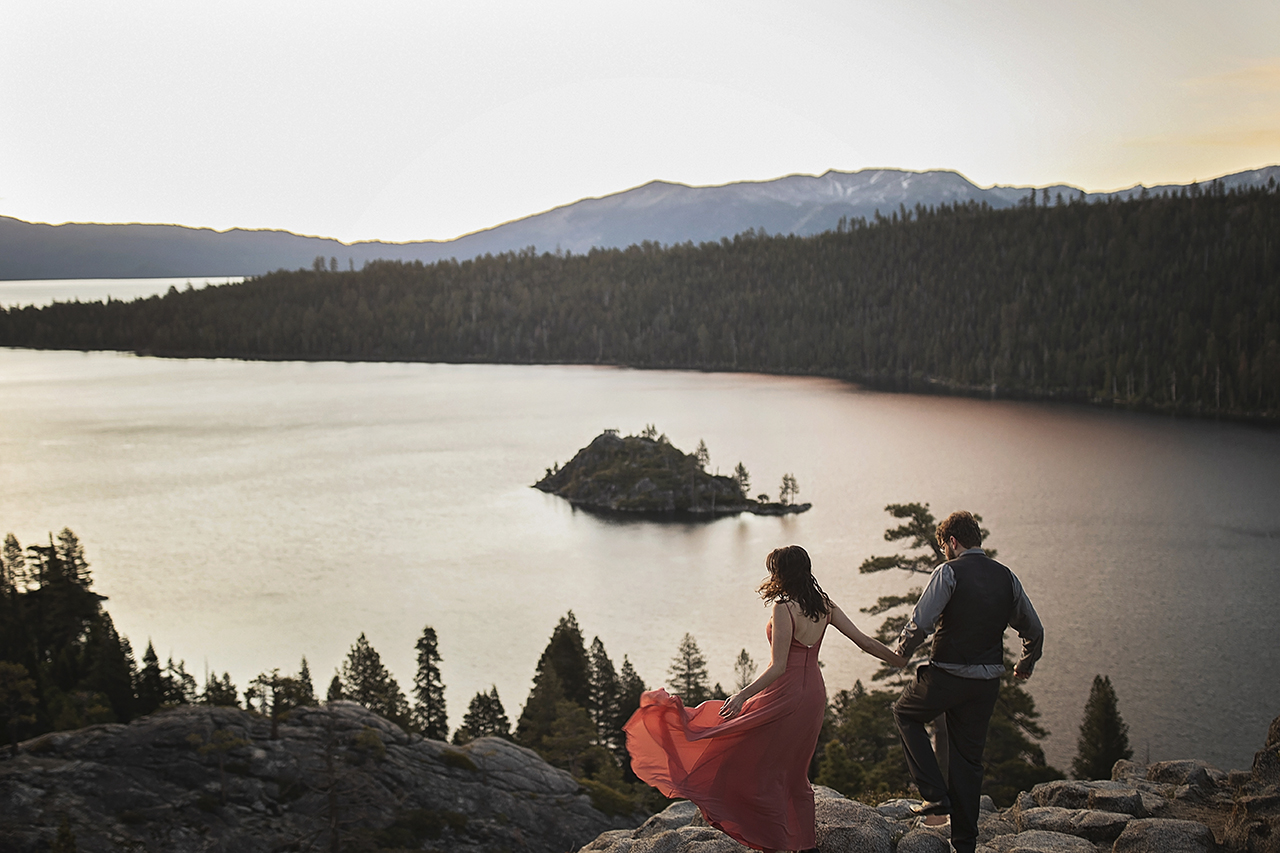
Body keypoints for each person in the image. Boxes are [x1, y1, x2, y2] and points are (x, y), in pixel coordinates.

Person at [625, 544, 906, 853]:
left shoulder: (783, 608)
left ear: (782, 574)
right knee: (795, 772)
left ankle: (776, 841)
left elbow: (779, 666)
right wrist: (898, 660)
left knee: (745, 754)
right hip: (813, 694)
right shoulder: (824, 605)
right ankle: (805, 845)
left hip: (786, 694)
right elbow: (865, 641)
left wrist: (742, 695)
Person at [892, 511, 1044, 853]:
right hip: (986, 682)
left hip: (946, 676)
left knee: (905, 713)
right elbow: (1034, 630)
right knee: (968, 762)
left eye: (944, 546)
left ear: (952, 542)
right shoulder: (1007, 577)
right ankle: (964, 845)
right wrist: (1025, 662)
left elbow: (922, 621)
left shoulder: (948, 571)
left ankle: (934, 796)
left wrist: (902, 650)